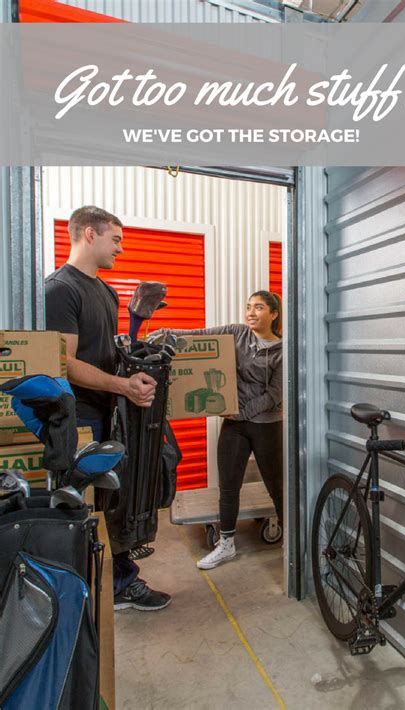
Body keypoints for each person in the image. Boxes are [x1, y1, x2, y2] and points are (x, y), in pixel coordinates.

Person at [45, 205, 171, 611]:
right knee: (85, 505)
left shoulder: (106, 290)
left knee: (115, 499)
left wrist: (137, 328)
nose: (121, 247)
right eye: (115, 238)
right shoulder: (60, 289)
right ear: (88, 234)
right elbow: (64, 362)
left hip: (110, 412)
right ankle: (95, 589)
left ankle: (115, 581)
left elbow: (105, 350)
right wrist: (123, 386)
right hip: (79, 417)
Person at [151, 290, 283, 569]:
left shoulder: (284, 350)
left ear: (273, 313)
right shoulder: (237, 333)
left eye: (258, 308)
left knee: (277, 487)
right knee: (228, 486)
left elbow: (274, 394)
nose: (250, 312)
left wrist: (242, 412)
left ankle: (291, 543)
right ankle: (226, 545)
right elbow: (200, 334)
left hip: (266, 425)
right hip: (235, 425)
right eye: (248, 307)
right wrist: (165, 332)